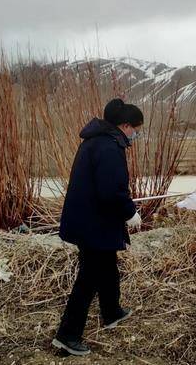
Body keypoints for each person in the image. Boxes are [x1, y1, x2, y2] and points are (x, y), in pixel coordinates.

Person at [52, 98, 143, 356]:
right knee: (89, 276)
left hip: (90, 219)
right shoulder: (109, 148)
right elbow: (111, 192)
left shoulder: (97, 141)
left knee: (107, 265)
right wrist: (130, 213)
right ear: (124, 125)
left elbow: (105, 189)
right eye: (136, 129)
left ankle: (111, 311)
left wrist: (123, 207)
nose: (136, 134)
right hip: (92, 223)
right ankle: (67, 336)